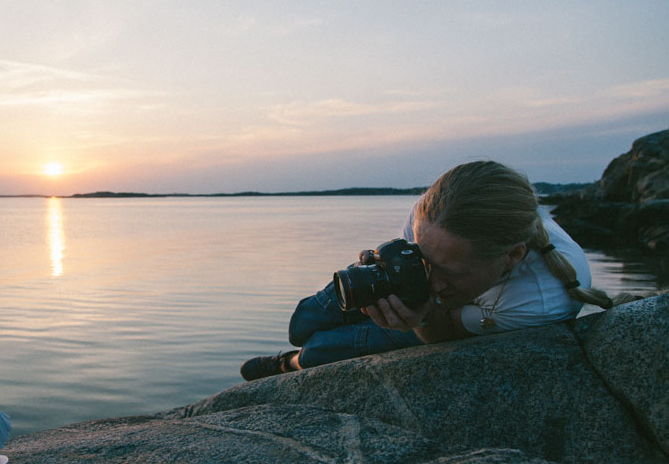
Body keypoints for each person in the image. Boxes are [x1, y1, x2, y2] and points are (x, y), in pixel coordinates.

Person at [241, 160, 614, 381]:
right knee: (302, 322)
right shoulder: (435, 212)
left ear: (513, 257)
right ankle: (296, 350)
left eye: (449, 271)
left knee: (321, 349)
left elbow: (446, 335)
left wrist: (420, 317)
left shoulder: (542, 297)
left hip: (458, 320)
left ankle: (288, 366)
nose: (431, 282)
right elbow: (432, 264)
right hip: (458, 294)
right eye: (423, 259)